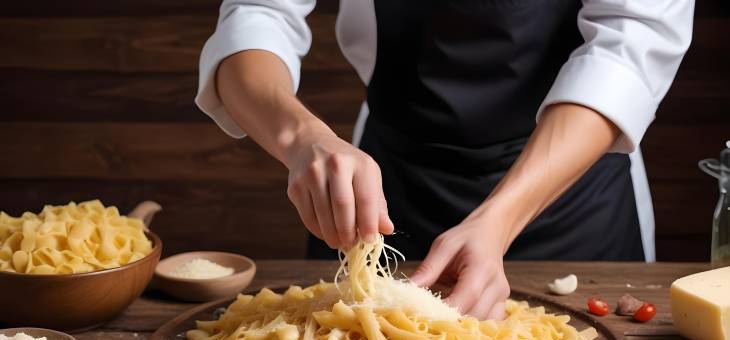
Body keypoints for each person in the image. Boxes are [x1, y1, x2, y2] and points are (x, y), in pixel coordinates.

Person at [195, 0, 693, 319]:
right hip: (391, 181)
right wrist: (301, 137)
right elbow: (257, 14)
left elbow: (629, 46)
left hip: (573, 194)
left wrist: (498, 221)